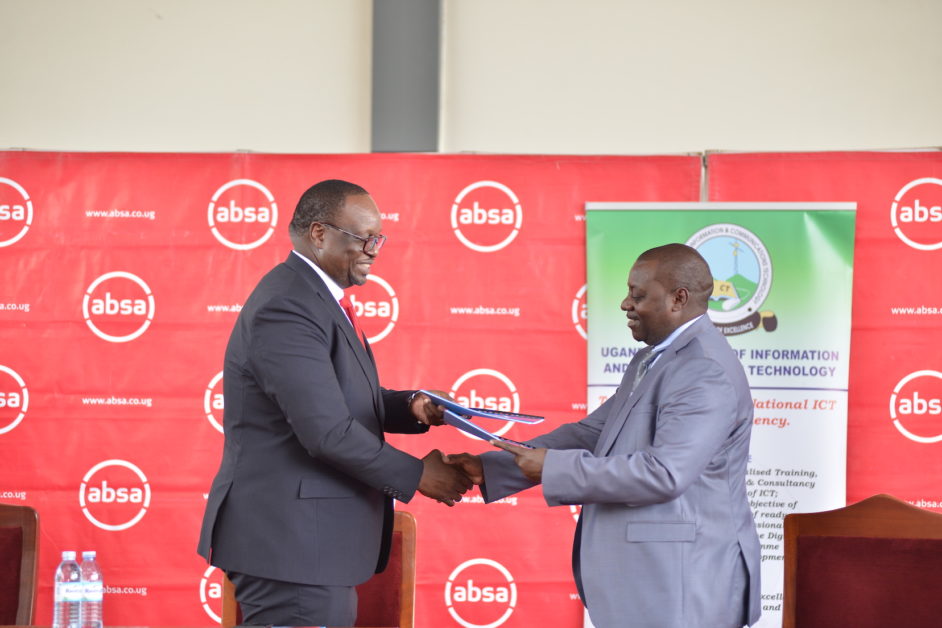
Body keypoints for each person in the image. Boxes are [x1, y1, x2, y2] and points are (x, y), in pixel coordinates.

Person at [197, 179, 471, 626]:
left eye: (378, 238)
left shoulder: (318, 298)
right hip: (290, 548)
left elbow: (342, 400)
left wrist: (414, 406)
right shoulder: (287, 305)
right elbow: (326, 431)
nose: (374, 250)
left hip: (311, 549)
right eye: (364, 238)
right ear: (320, 233)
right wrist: (419, 474)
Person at [447, 243, 761, 628]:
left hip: (684, 585)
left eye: (638, 294)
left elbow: (664, 474)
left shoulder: (704, 370)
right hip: (652, 582)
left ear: (678, 299)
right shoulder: (655, 358)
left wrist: (552, 469)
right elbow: (592, 433)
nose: (625, 304)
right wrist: (490, 466)